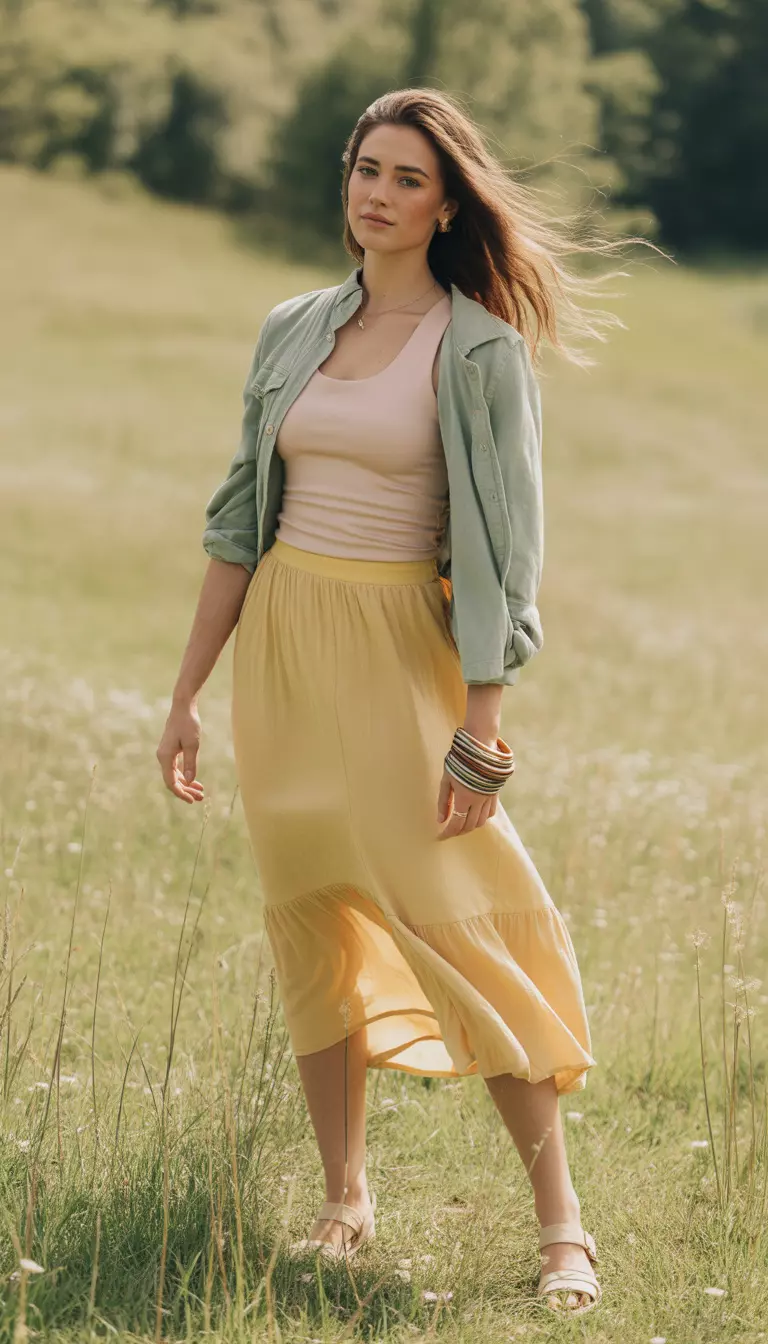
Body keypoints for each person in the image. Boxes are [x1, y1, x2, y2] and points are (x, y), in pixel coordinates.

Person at [156, 87, 624, 1316]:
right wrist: (187, 694)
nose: (378, 193)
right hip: (286, 657)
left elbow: (504, 555)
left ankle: (562, 1224)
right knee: (310, 910)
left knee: (462, 908)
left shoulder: (478, 350)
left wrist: (482, 723)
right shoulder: (292, 327)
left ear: (447, 201)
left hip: (397, 657)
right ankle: (345, 1197)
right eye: (366, 169)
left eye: (407, 177)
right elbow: (235, 523)